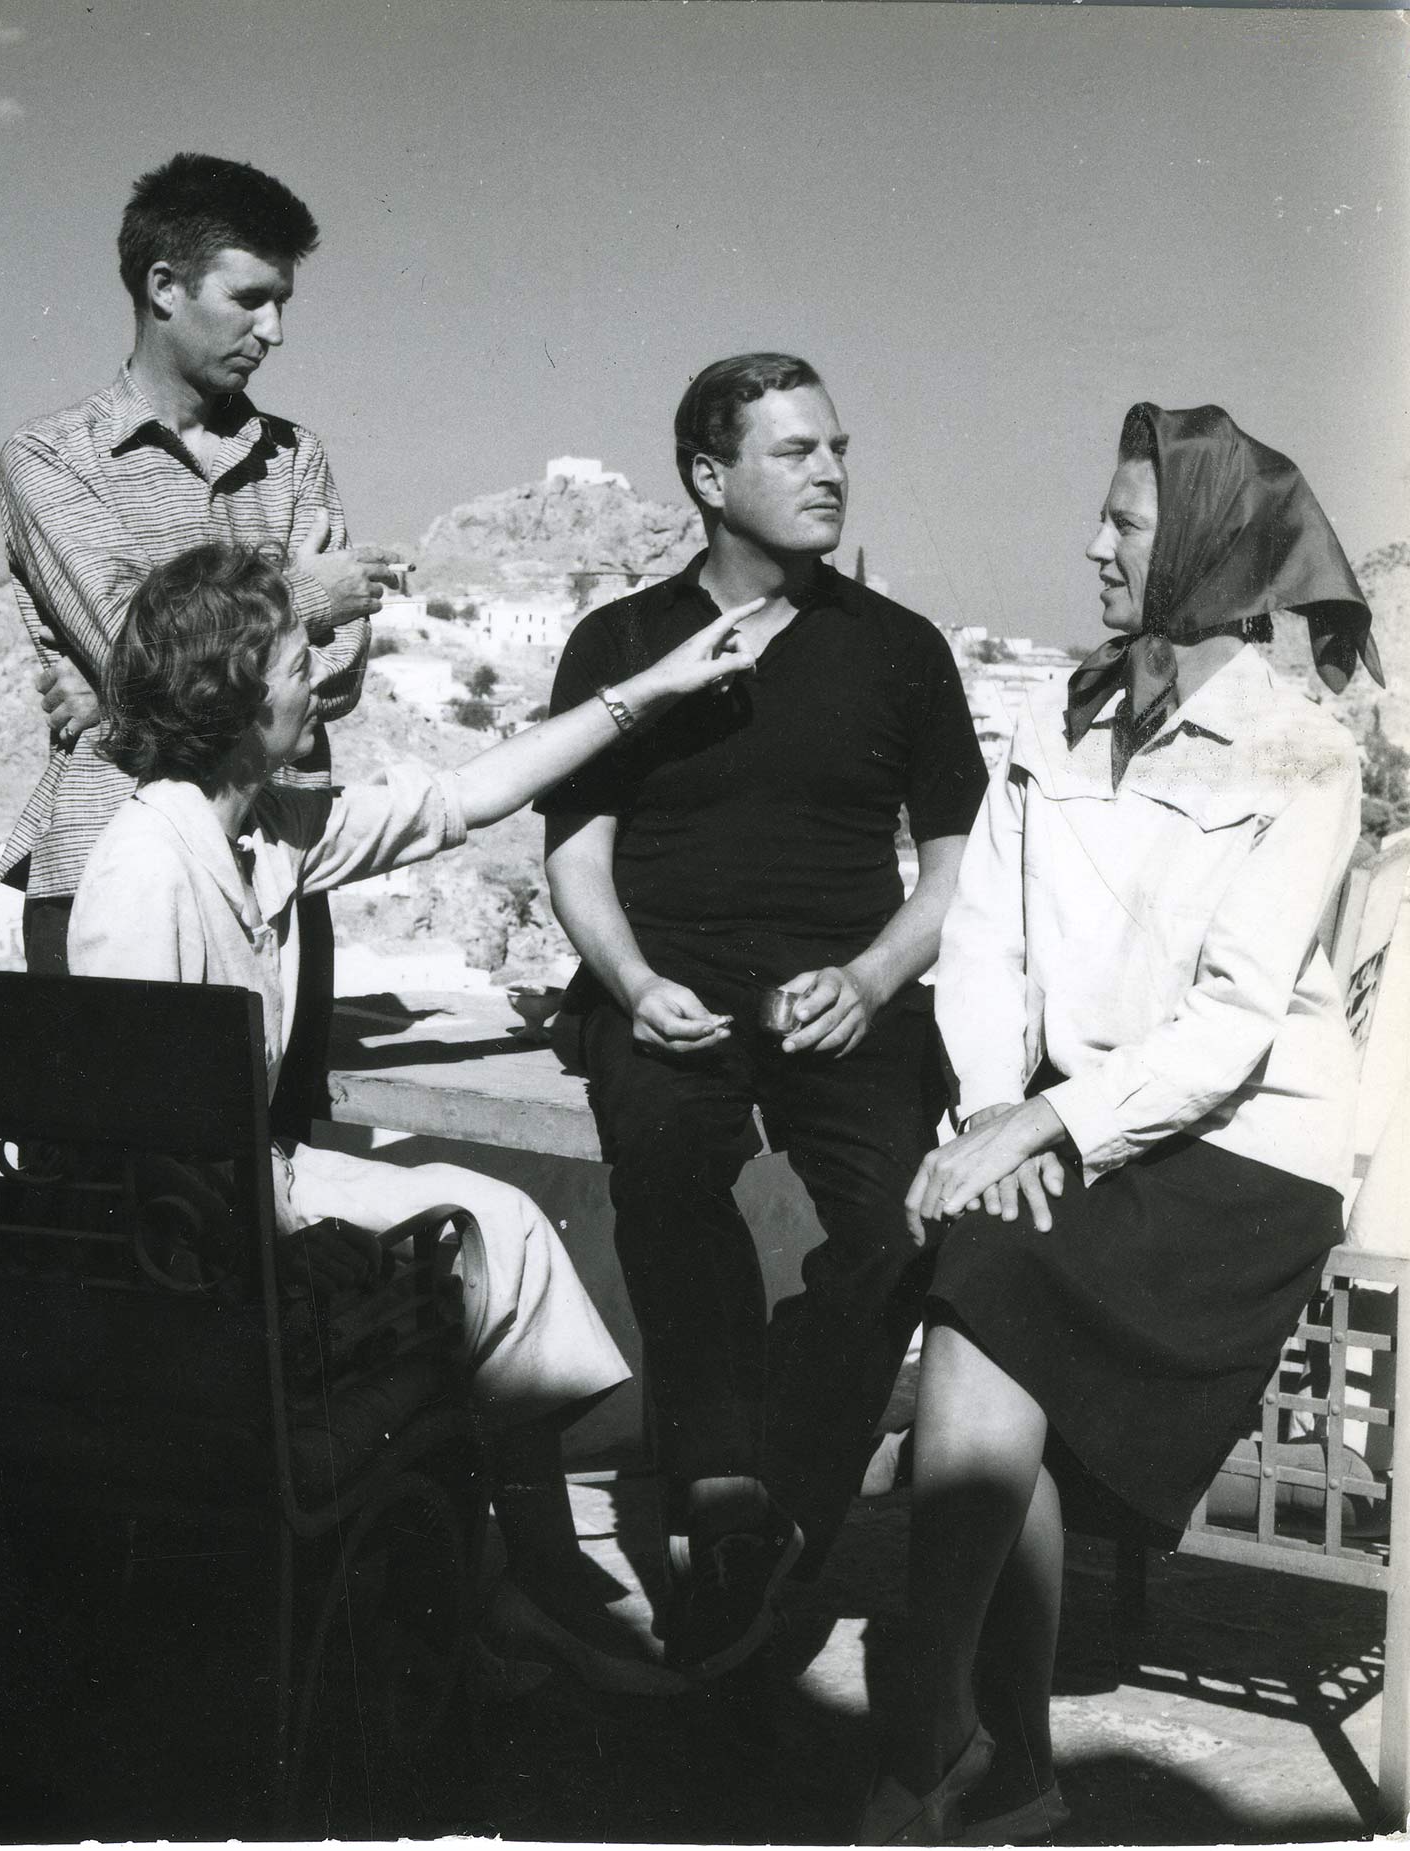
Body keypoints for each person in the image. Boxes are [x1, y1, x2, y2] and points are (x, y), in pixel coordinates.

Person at [68, 540, 763, 1692]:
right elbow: (138, 1146)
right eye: (299, 658)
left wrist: (649, 690)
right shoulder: (149, 866)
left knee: (509, 1232)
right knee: (482, 1250)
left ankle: (523, 1596)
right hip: (201, 1247)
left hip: (251, 1191)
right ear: (235, 695)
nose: (320, 677)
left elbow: (463, 796)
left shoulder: (261, 831)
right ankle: (524, 1597)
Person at [869, 403, 1381, 1843]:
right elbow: (984, 940)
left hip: (1238, 1147)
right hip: (1064, 1129)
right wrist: (988, 1111)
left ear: (1209, 548)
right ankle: (994, 1764)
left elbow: (1231, 1022)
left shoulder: (1303, 754)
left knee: (986, 1295)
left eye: (1127, 524)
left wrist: (1041, 1127)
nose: (1093, 547)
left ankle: (938, 1730)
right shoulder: (1055, 711)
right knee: (987, 1293)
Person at [539, 353, 988, 1677]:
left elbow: (959, 862)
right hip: (663, 981)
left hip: (849, 995)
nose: (832, 471)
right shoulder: (624, 643)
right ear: (709, 475)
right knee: (670, 1173)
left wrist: (869, 977)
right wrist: (632, 984)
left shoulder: (898, 648)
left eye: (835, 445)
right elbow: (575, 854)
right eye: (794, 451)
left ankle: (763, 1485)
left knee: (906, 1217)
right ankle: (729, 1498)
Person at [0, 151, 401, 1137]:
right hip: (100, 871)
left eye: (282, 302)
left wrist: (129, 686)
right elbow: (137, 640)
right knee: (118, 1192)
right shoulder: (49, 458)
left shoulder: (295, 456)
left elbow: (331, 678)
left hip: (271, 876)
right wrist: (303, 594)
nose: (275, 331)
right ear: (163, 286)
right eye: (250, 299)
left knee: (278, 1191)